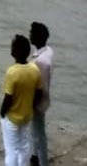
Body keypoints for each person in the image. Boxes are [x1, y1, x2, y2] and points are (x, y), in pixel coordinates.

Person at [0, 34, 43, 166]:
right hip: (26, 116)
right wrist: (31, 107)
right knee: (24, 146)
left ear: (17, 52)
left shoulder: (12, 72)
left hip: (12, 117)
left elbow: (8, 98)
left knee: (11, 149)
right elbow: (39, 93)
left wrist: (2, 112)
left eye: (13, 47)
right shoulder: (35, 70)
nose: (11, 49)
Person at [30, 22, 53, 166]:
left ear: (37, 37)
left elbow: (40, 88)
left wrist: (32, 105)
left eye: (32, 33)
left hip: (38, 102)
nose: (29, 35)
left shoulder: (41, 62)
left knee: (39, 134)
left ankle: (43, 162)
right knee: (35, 130)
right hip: (42, 100)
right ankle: (35, 155)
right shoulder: (47, 51)